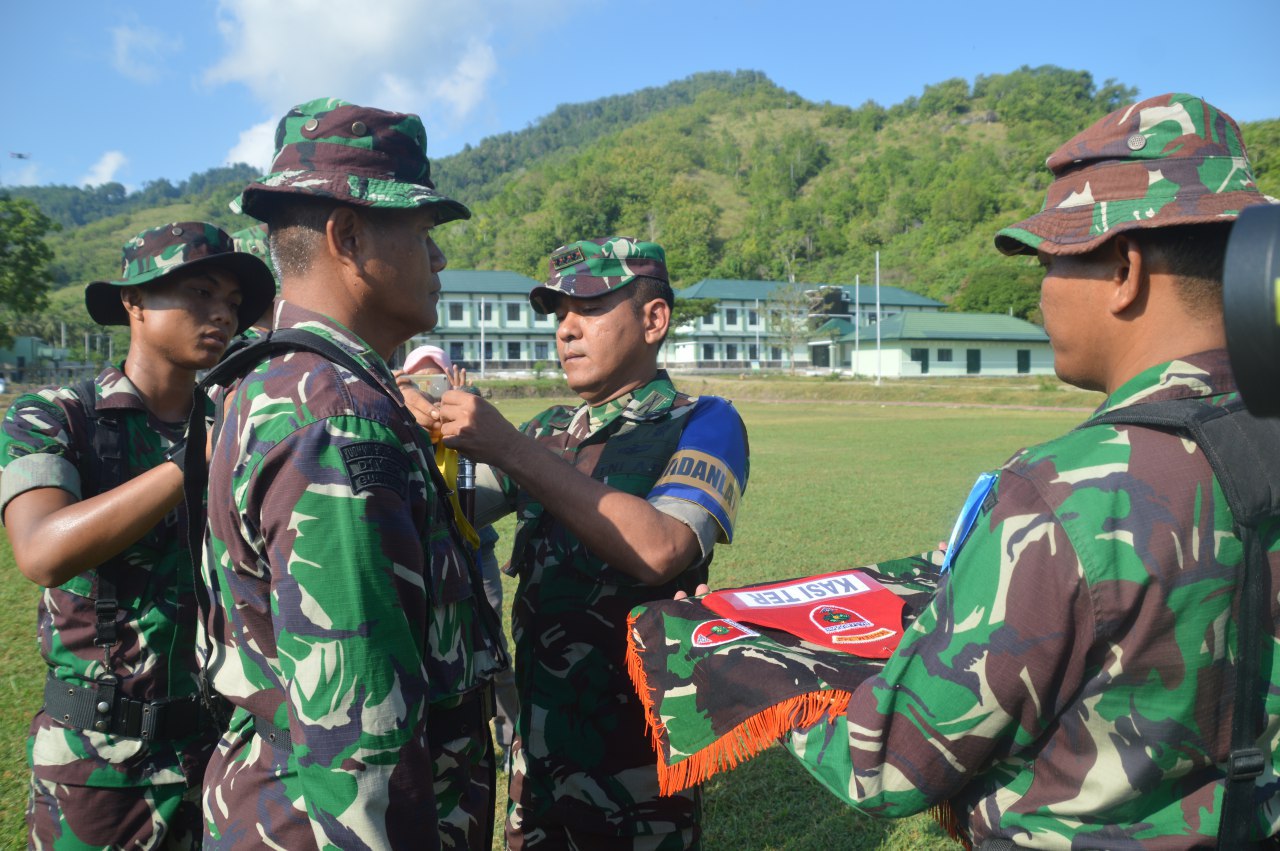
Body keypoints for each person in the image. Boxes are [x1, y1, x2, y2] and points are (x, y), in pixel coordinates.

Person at [776, 93, 1279, 847]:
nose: (1039, 293)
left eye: (1049, 263)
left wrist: (756, 679)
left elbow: (887, 765)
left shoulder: (1066, 491)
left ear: (1123, 268)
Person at [198, 97, 505, 851]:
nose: (438, 260)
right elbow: (360, 741)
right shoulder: (335, 415)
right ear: (348, 234)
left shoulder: (280, 382)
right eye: (425, 235)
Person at [435, 236, 750, 850]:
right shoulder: (547, 429)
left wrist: (506, 446)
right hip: (538, 745)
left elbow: (664, 547)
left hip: (637, 758)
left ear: (654, 319)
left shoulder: (704, 420)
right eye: (558, 315)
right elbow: (455, 508)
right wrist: (427, 437)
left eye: (591, 308)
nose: (566, 331)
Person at [0, 222, 273, 849]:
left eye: (232, 303)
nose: (221, 315)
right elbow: (42, 550)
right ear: (134, 302)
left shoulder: (240, 422)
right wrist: (191, 465)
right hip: (99, 767)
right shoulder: (54, 415)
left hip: (223, 755)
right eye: (200, 292)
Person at [401, 344, 520, 762]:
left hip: (474, 548)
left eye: (438, 377)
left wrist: (470, 407)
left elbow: (481, 464)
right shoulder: (403, 419)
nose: (430, 389)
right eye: (421, 378)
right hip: (425, 554)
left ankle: (510, 739)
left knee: (493, 645)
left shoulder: (466, 417)